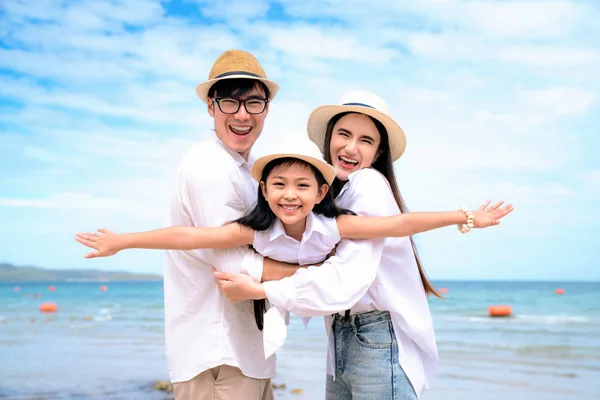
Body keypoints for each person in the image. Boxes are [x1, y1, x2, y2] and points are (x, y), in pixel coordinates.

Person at [75, 140, 511, 358]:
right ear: (263, 190)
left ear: (322, 190)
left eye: (303, 186)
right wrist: (123, 241)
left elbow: (399, 223)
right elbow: (190, 235)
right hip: (290, 313)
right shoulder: (256, 232)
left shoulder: (334, 225)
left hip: (328, 310)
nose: (290, 195)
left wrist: (465, 217)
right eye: (279, 185)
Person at [211, 91, 513, 399]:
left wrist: (260, 288)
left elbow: (344, 277)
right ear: (329, 139)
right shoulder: (331, 201)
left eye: (366, 141)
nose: (351, 148)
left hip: (375, 337)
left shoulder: (367, 185)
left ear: (378, 153)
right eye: (344, 134)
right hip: (347, 337)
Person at [158, 49, 282, 400]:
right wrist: (319, 270)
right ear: (211, 108)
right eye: (229, 102)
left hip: (241, 353)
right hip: (217, 355)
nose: (242, 115)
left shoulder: (249, 168)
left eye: (253, 103)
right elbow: (233, 267)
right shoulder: (209, 166)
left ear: (267, 108)